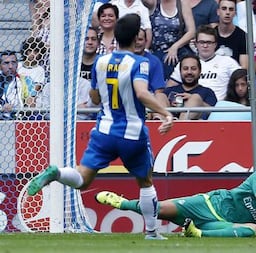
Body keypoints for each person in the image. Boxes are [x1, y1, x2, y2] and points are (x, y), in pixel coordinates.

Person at [27, 13, 174, 240]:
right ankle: (152, 232)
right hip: (132, 133)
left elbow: (94, 97)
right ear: (137, 38)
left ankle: (57, 173)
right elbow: (142, 92)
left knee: (83, 179)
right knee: (145, 182)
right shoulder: (140, 62)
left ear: (115, 37)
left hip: (104, 131)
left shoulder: (101, 62)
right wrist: (165, 113)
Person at [95, 159, 256, 237]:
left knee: (255, 230)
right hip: (208, 204)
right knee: (158, 210)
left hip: (221, 224)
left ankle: (197, 234)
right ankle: (122, 203)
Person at [168, 25, 240, 101]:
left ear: (215, 44)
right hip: (191, 105)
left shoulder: (228, 62)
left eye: (209, 42)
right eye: (202, 42)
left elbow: (242, 82)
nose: (205, 46)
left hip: (219, 108)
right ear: (196, 44)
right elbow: (170, 88)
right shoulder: (186, 63)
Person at [145, 0, 196, 80]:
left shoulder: (182, 3)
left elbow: (191, 31)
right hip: (157, 52)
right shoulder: (154, 3)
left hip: (178, 50)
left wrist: (175, 47)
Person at [157, 55, 217, 120]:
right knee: (160, 95)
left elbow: (215, 114)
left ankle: (181, 125)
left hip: (193, 128)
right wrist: (170, 104)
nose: (189, 72)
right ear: (180, 71)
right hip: (166, 126)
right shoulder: (168, 91)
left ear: (200, 71)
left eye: (193, 69)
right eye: (185, 68)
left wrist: (196, 101)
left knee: (195, 97)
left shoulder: (207, 92)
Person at [215, 0, 248, 69]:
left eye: (231, 9)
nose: (227, 12)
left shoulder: (242, 36)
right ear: (218, 12)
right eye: (224, 9)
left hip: (234, 76)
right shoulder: (211, 34)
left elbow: (244, 67)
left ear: (235, 13)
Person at [18, 36, 47, 109]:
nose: (32, 54)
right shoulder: (18, 66)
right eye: (30, 51)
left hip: (32, 100)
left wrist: (28, 98)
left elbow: (36, 88)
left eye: (36, 52)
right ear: (25, 51)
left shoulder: (39, 70)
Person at [78, 27, 100, 120]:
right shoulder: (73, 65)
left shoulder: (102, 63)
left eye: (93, 39)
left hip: (97, 112)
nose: (90, 42)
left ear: (98, 43)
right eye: (86, 39)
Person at [0, 51, 29, 120]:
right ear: (0, 66)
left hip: (20, 118)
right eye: (6, 63)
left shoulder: (25, 80)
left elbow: (30, 101)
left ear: (17, 64)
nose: (10, 66)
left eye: (13, 62)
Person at [134, 28, 165, 94]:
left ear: (146, 41)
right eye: (134, 40)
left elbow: (159, 90)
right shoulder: (124, 60)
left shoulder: (154, 61)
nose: (137, 43)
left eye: (140, 39)